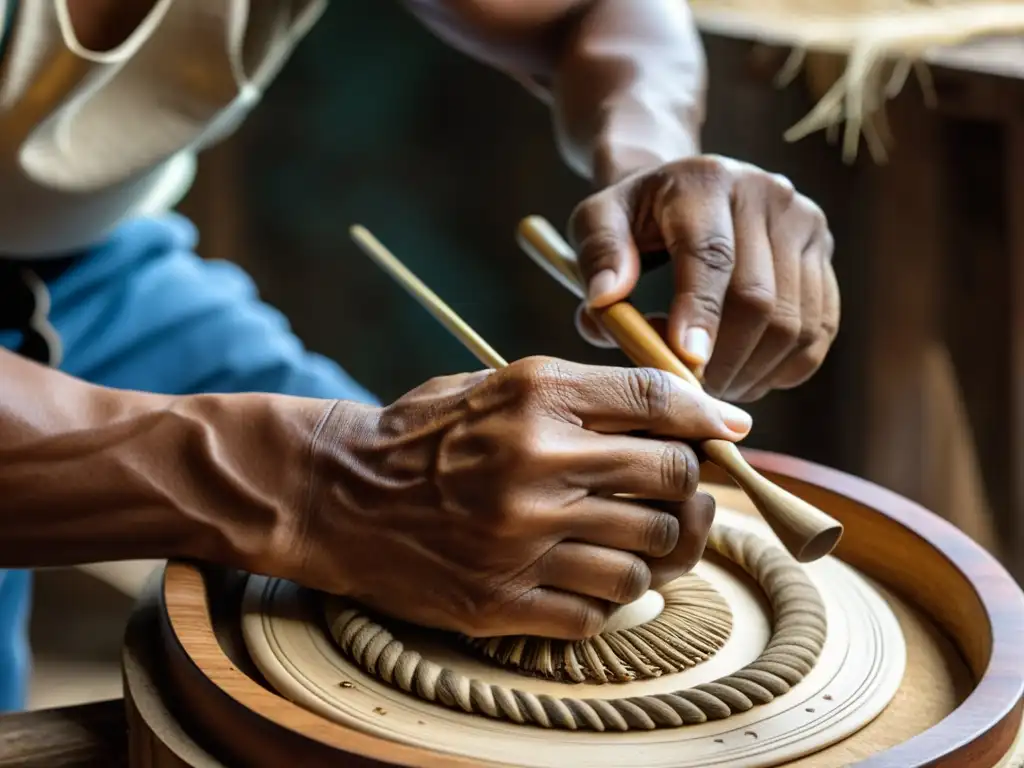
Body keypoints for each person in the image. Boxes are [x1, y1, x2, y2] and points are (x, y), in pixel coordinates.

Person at [0, 0, 839, 712]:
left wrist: (654, 159)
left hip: (95, 260)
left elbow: (588, 11)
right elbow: (316, 479)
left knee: (484, 537)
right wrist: (312, 487)